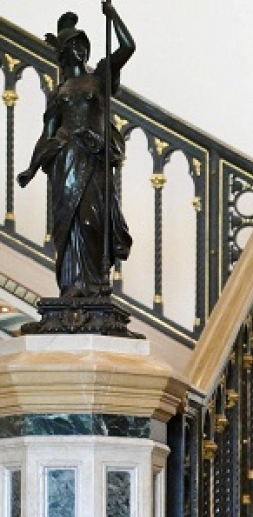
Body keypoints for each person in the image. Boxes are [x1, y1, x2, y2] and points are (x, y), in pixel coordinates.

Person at [17, 3, 135, 300]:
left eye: (84, 45)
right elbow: (48, 134)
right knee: (68, 228)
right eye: (74, 46)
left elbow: (128, 47)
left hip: (93, 158)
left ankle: (96, 285)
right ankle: (72, 287)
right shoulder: (60, 92)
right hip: (65, 161)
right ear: (64, 53)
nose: (81, 51)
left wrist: (113, 15)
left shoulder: (100, 78)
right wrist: (31, 169)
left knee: (91, 220)